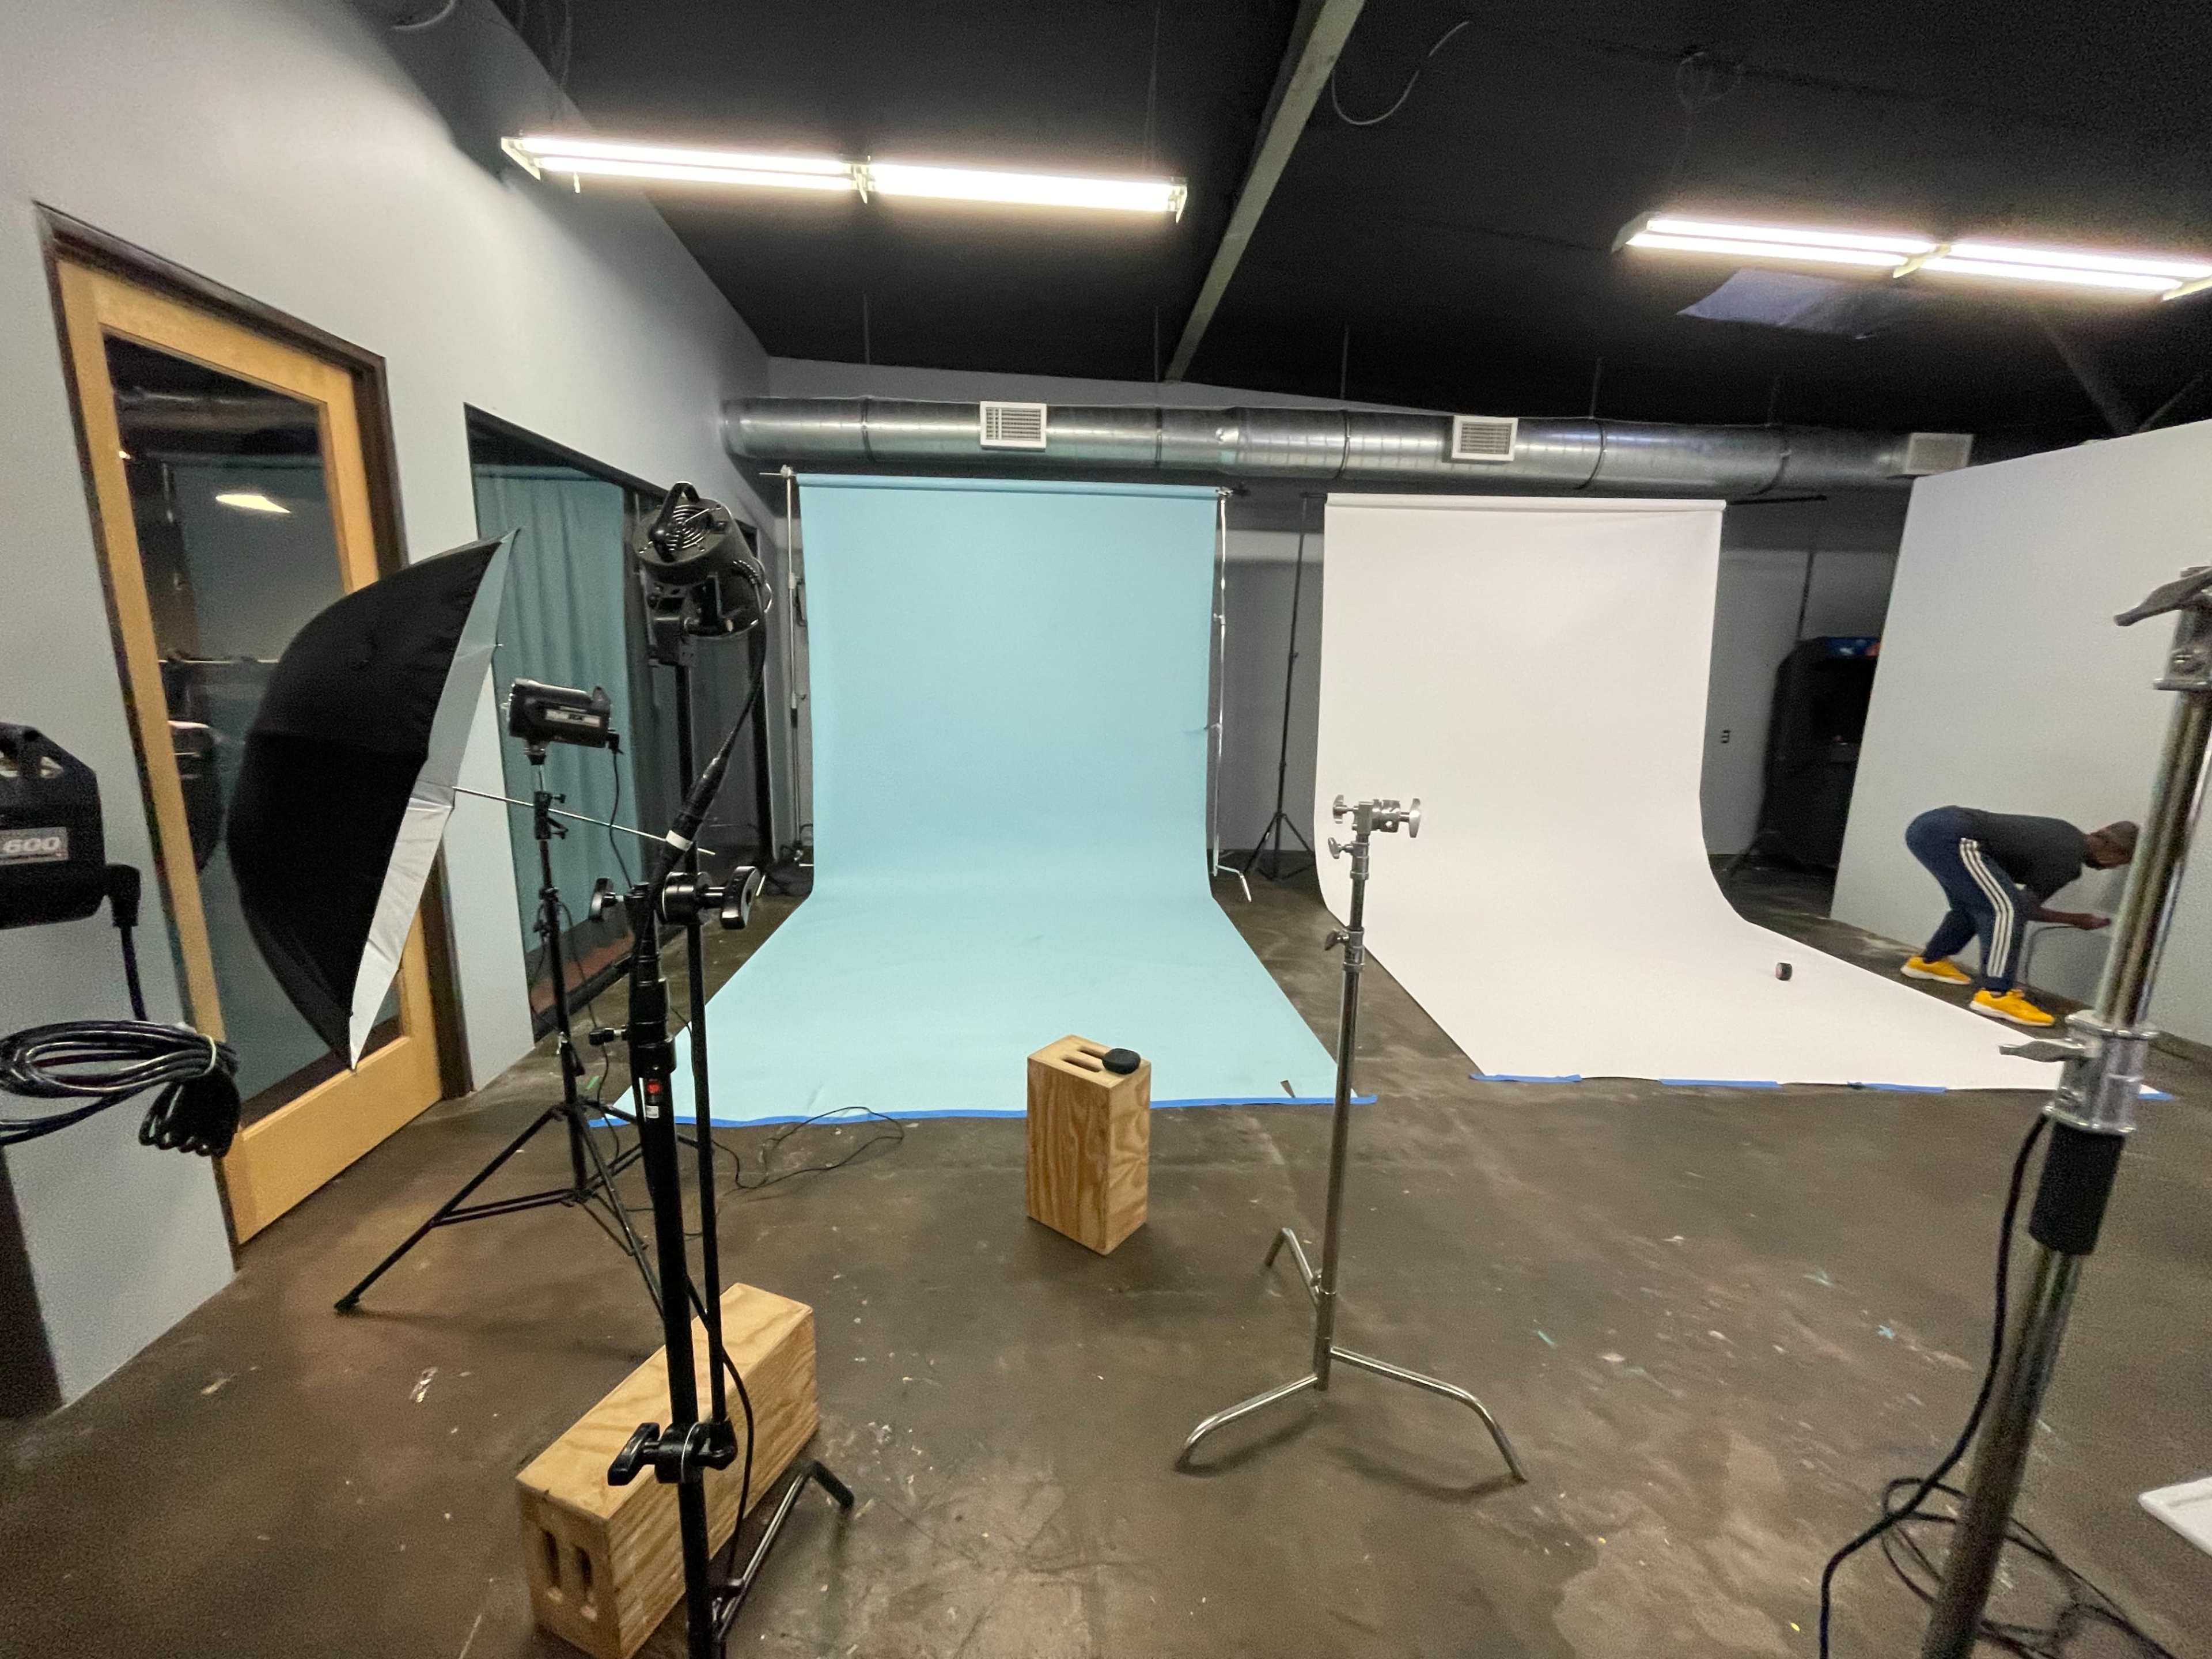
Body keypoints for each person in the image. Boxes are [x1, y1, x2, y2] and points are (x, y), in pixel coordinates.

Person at [1900, 806, 2138, 1028]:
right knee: (2006, 910)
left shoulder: (2067, 833)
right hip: (1952, 836)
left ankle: (1928, 962)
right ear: (2114, 852)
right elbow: (2025, 909)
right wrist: (2077, 920)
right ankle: (1996, 994)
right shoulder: (2067, 862)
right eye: (2121, 862)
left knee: (1975, 904)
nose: (2115, 868)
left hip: (1931, 827)